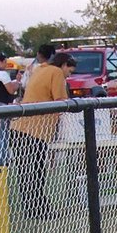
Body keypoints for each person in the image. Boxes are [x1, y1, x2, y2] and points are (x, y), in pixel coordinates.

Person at [10, 52, 76, 219]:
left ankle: (30, 209)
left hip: (19, 126)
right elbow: (61, 100)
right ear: (64, 65)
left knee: (24, 172)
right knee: (36, 172)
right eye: (70, 71)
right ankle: (41, 210)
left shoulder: (40, 69)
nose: (70, 75)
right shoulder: (56, 73)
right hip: (36, 129)